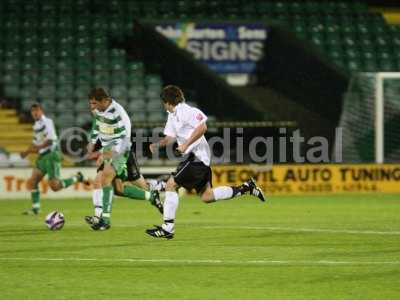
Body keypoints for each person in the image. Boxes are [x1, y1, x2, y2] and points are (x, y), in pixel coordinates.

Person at [146, 85, 265, 239]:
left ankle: (168, 228)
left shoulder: (187, 111)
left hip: (197, 157)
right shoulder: (172, 116)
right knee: (207, 196)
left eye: (164, 103)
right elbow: (170, 137)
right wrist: (157, 144)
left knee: (171, 184)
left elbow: (202, 127)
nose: (164, 106)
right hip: (195, 158)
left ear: (168, 102)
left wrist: (186, 144)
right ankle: (247, 187)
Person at [85, 88, 162, 230]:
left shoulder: (118, 113)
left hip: (121, 150)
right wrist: (93, 141)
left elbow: (124, 140)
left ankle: (104, 220)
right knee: (117, 189)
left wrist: (107, 154)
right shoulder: (98, 110)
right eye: (91, 103)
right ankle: (151, 196)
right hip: (108, 150)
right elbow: (98, 123)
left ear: (104, 101)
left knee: (105, 179)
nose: (92, 107)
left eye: (94, 103)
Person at [21, 103, 85, 215]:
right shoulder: (36, 126)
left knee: (55, 187)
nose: (34, 113)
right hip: (42, 157)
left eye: (36, 110)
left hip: (51, 155)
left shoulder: (47, 122)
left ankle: (77, 178)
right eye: (32, 111)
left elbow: (50, 140)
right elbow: (36, 142)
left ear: (41, 111)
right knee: (33, 181)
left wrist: (37, 148)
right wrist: (26, 152)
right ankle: (36, 208)